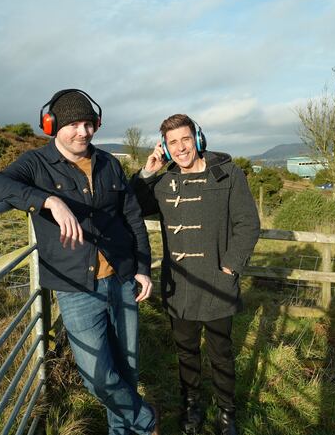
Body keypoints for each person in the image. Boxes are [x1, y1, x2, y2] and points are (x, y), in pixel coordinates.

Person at [0, 89, 159, 435]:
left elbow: (132, 218)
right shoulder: (36, 163)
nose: (83, 131)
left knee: (128, 370)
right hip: (75, 287)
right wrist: (48, 201)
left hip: (123, 278)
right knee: (99, 378)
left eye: (89, 123)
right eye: (74, 124)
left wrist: (142, 268)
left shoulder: (110, 163)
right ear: (52, 125)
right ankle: (146, 420)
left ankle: (126, 431)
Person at [130, 114, 260, 435]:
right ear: (165, 148)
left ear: (198, 139)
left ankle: (227, 413)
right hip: (180, 286)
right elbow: (129, 204)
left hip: (218, 281)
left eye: (185, 139)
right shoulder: (163, 182)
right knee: (186, 353)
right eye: (172, 143)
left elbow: (248, 223)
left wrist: (231, 265)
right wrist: (149, 170)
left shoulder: (228, 174)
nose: (181, 148)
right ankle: (191, 408)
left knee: (221, 352)